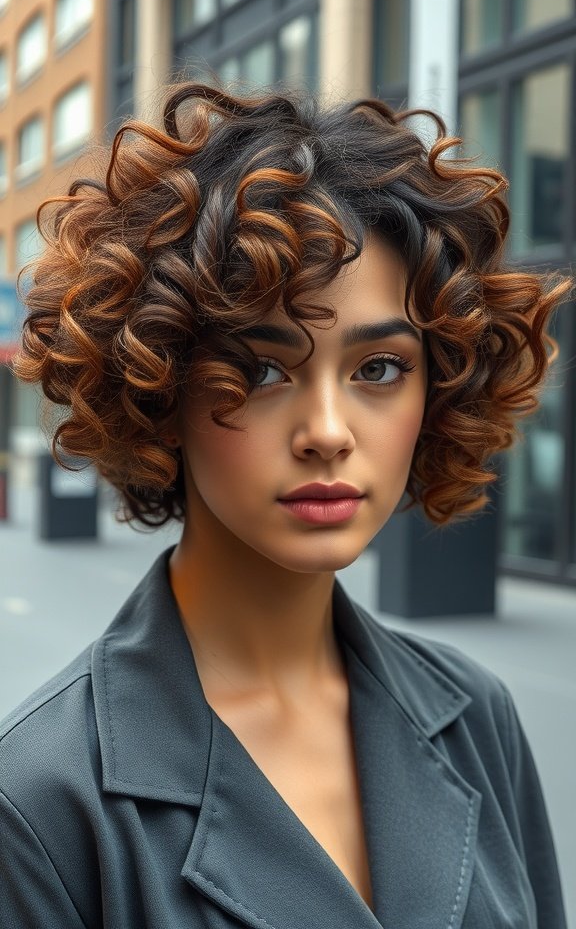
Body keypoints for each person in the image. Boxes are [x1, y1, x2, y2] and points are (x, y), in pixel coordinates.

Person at [0, 83, 570, 929]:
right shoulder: (41, 802)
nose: (328, 432)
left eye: (379, 369)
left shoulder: (475, 714)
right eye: (262, 369)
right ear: (160, 388)